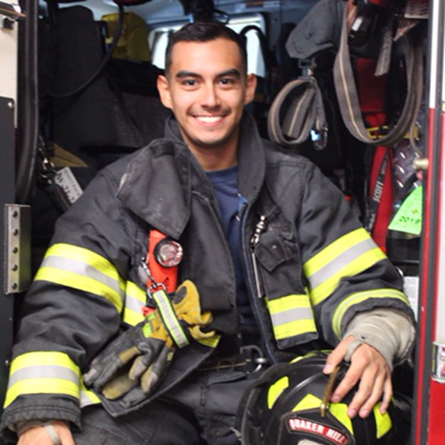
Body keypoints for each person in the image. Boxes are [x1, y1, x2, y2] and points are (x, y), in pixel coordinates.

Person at [1, 20, 415, 445]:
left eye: (226, 81)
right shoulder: (117, 192)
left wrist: (373, 340)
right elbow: (64, 308)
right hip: (156, 394)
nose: (210, 99)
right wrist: (41, 414)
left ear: (249, 87)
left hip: (276, 382)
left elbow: (360, 285)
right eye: (191, 82)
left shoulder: (299, 186)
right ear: (166, 91)